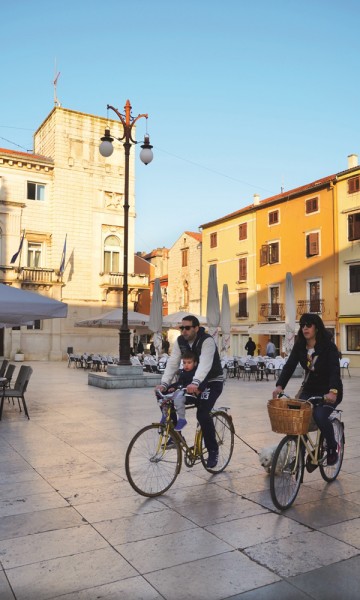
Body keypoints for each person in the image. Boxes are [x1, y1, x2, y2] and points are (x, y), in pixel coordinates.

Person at [272, 313, 343, 466]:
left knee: (320, 415)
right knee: (296, 418)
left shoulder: (328, 347)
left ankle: (332, 448)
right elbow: (289, 366)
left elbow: (334, 370)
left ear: (316, 328)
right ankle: (298, 459)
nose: (305, 328)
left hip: (329, 390)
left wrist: (333, 392)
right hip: (310, 389)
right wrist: (279, 386)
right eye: (303, 325)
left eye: (308, 325)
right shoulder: (300, 346)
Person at [155, 315, 224, 468]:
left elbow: (205, 364)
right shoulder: (181, 341)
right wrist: (164, 384)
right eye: (182, 328)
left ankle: (213, 450)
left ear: (196, 328)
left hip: (212, 381)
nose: (183, 331)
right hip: (190, 382)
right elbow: (173, 363)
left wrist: (196, 382)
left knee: (203, 414)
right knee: (165, 397)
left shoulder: (207, 341)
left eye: (187, 328)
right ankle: (176, 435)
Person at [160, 350, 207, 431]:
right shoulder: (183, 372)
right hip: (183, 392)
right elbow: (180, 383)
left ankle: (182, 419)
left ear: (195, 363)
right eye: (184, 363)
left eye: (189, 363)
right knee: (164, 396)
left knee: (178, 398)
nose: (186, 365)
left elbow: (203, 381)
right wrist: (173, 387)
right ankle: (166, 415)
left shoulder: (197, 373)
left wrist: (199, 389)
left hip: (192, 395)